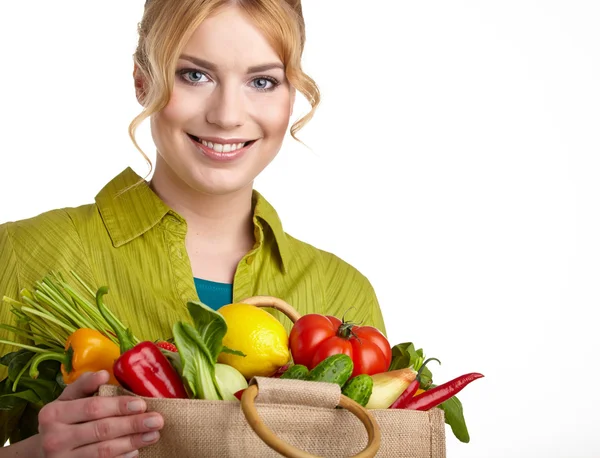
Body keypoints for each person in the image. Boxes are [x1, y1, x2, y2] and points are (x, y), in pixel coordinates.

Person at [0, 0, 387, 456]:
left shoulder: (342, 294)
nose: (226, 115)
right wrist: (30, 454)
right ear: (143, 82)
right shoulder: (25, 254)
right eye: (195, 75)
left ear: (291, 96)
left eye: (262, 81)